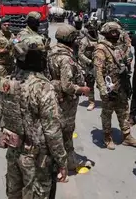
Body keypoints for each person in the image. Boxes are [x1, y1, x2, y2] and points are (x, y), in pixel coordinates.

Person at [0, 23, 68, 197]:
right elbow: (52, 130)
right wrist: (62, 161)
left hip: (14, 154)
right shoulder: (43, 87)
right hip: (36, 160)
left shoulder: (7, 82)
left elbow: (4, 117)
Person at [47, 24, 91, 172]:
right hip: (65, 101)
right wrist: (82, 89)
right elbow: (67, 86)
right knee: (66, 132)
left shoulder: (52, 52)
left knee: (57, 130)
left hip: (55, 98)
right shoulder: (65, 58)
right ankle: (67, 163)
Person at [94, 21, 136, 150]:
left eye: (118, 32)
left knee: (124, 111)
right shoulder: (101, 48)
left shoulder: (119, 47)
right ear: (109, 33)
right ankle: (107, 136)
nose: (117, 34)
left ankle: (127, 136)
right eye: (114, 32)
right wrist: (103, 89)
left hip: (122, 85)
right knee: (107, 113)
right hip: (109, 87)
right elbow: (98, 71)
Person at [78, 20, 100, 111]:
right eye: (91, 29)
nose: (93, 30)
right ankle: (91, 102)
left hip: (100, 64)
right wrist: (89, 61)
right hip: (90, 65)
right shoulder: (84, 41)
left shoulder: (100, 38)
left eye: (94, 28)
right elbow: (80, 54)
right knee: (90, 83)